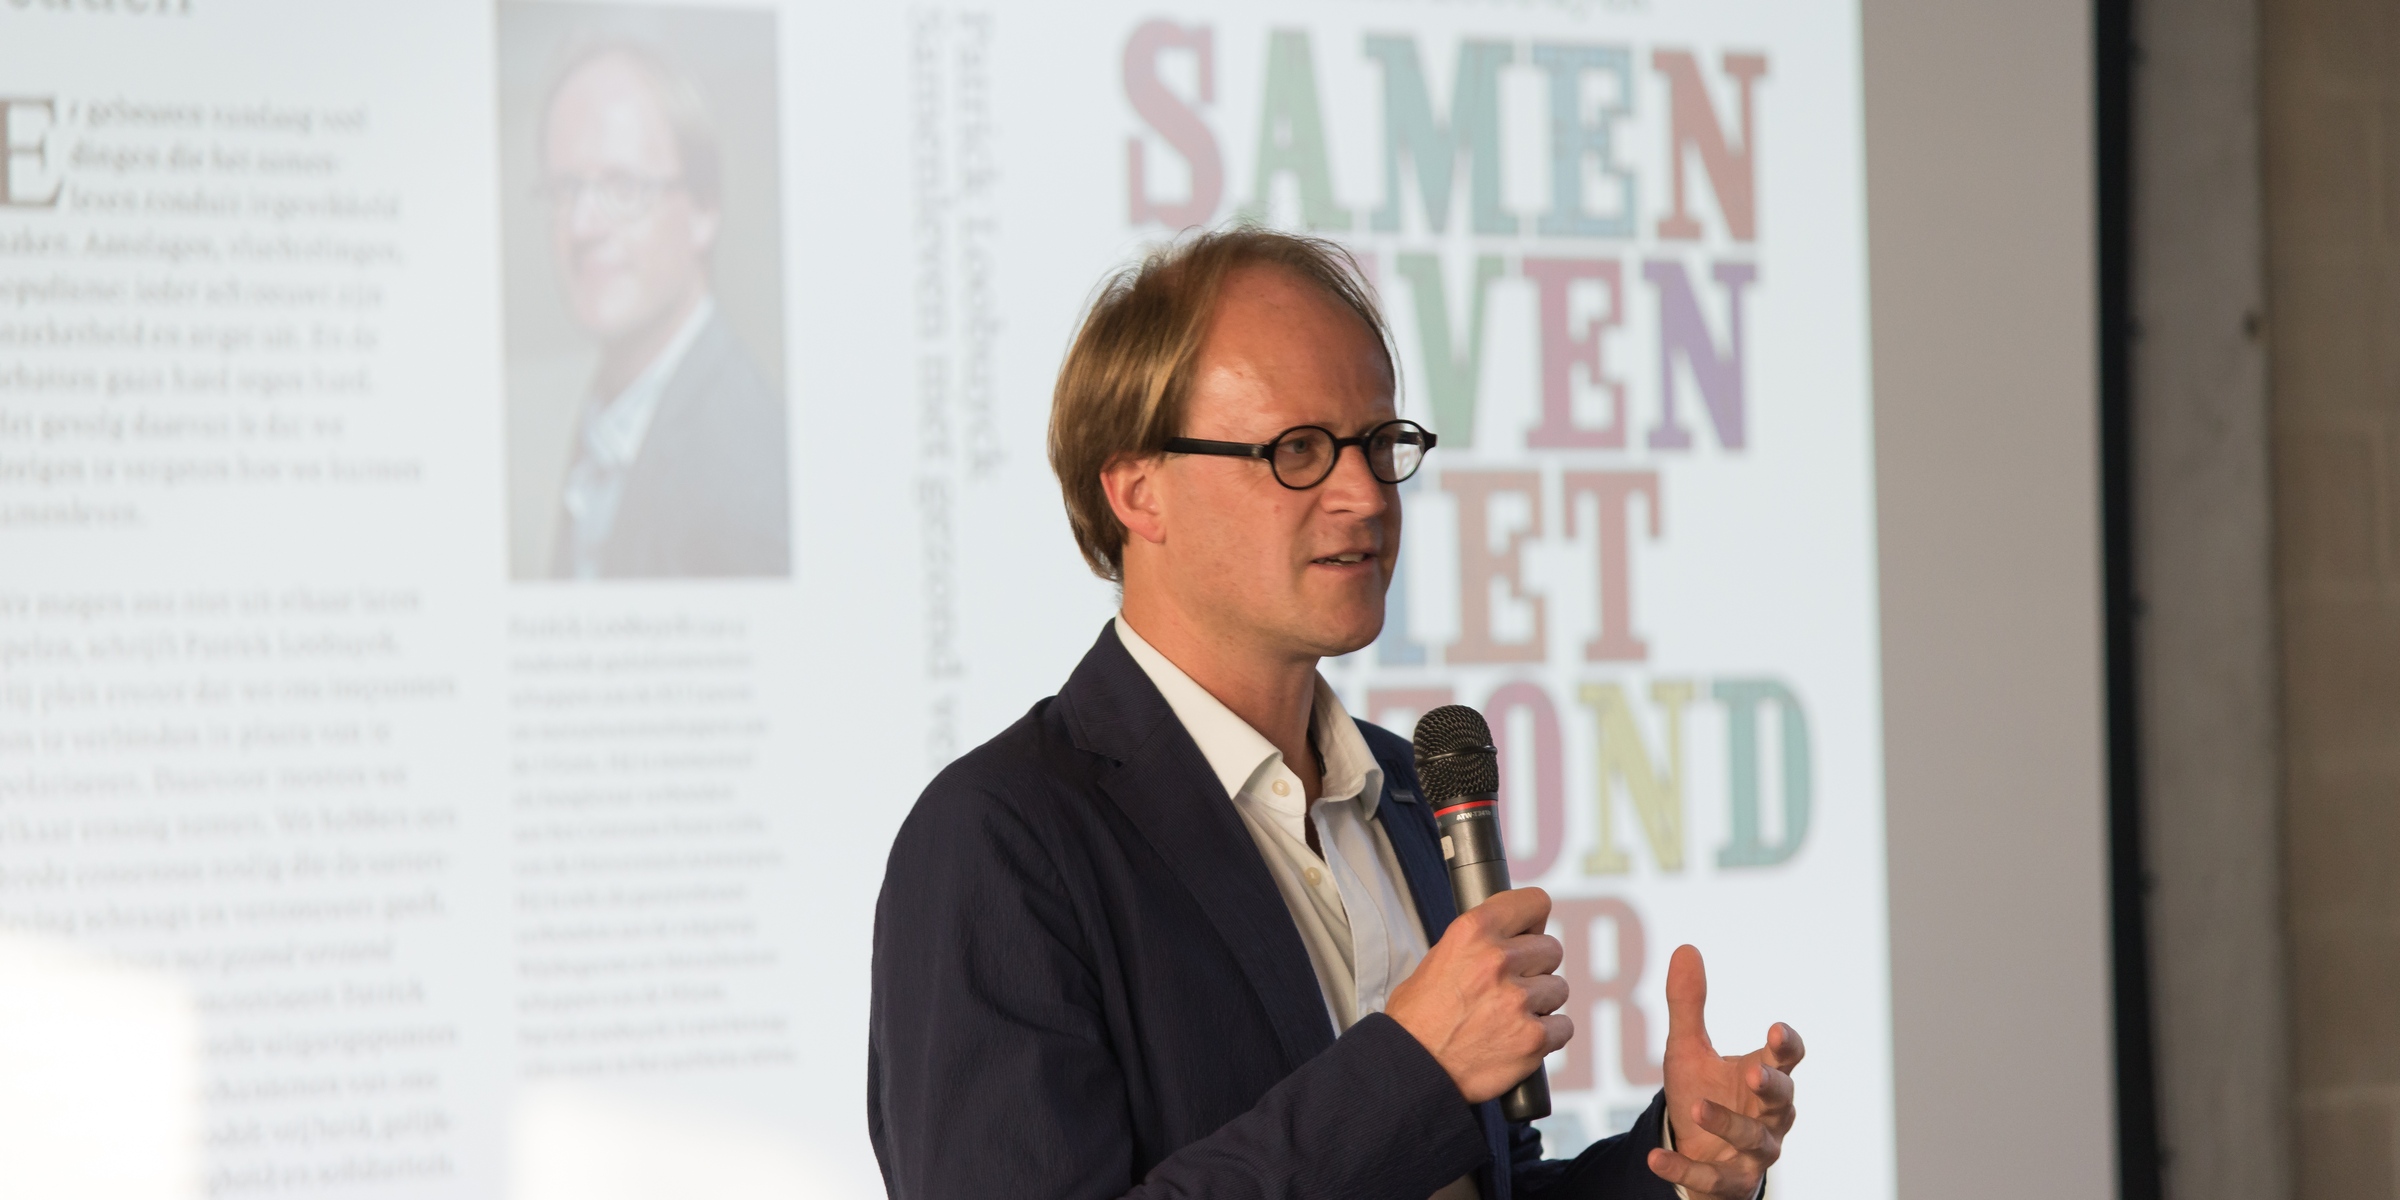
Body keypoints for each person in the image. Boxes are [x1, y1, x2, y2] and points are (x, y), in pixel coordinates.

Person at [868, 228, 1802, 1199]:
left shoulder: (1411, 793)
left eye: (1379, 443)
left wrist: (1677, 1167)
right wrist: (1411, 1071)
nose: (1365, 495)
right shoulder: (1000, 841)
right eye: (1299, 451)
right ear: (1138, 490)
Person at [536, 40, 788, 580]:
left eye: (621, 186)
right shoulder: (613, 406)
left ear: (703, 210)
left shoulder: (745, 475)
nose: (581, 225)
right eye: (565, 189)